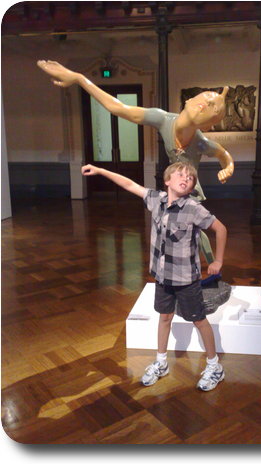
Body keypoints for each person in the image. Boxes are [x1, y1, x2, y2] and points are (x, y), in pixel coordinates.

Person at [37, 60, 233, 264]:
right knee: (176, 227)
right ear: (189, 100)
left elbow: (223, 154)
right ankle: (185, 267)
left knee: (195, 227)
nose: (210, 104)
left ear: (210, 126)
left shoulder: (200, 142)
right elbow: (118, 108)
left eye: (216, 109)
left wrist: (228, 167)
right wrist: (79, 79)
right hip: (174, 184)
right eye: (207, 98)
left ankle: (212, 266)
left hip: (188, 187)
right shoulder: (163, 119)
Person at [82, 161, 227, 391]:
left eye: (190, 178)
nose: (185, 178)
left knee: (199, 319)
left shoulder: (193, 208)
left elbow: (220, 228)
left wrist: (218, 260)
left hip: (186, 279)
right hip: (162, 276)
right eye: (180, 174)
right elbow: (129, 184)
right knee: (165, 317)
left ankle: (214, 365)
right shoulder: (155, 200)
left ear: (191, 187)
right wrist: (100, 171)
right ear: (167, 180)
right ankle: (161, 363)